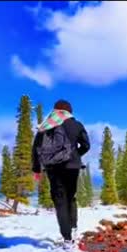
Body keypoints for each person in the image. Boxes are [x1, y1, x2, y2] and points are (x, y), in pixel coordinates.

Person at [32, 99, 90, 243]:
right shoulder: (76, 125)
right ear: (69, 111)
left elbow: (36, 148)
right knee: (71, 197)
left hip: (53, 167)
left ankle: (67, 238)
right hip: (72, 167)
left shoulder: (46, 125)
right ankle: (74, 227)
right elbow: (86, 145)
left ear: (55, 110)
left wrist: (37, 169)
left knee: (60, 201)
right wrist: (76, 155)